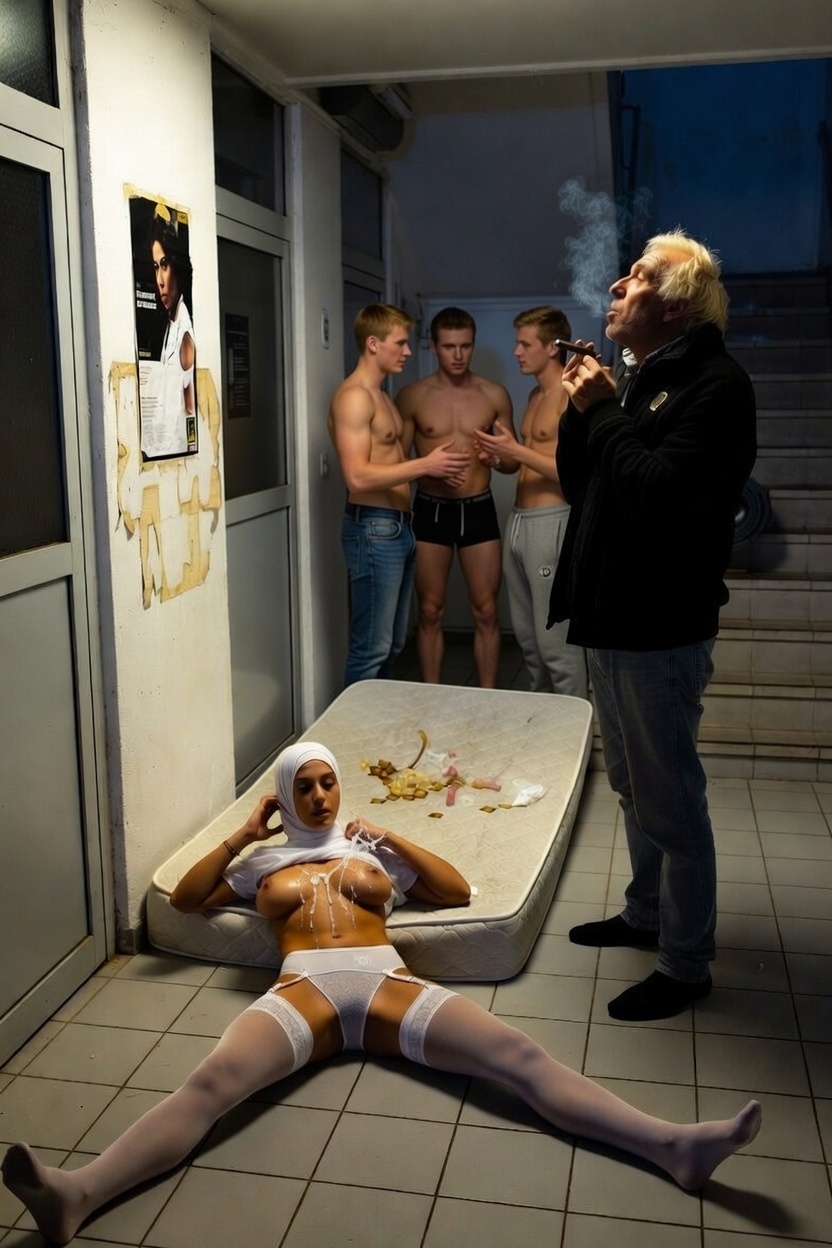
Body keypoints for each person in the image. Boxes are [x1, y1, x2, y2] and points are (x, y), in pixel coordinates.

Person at [2, 739, 762, 1245]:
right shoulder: (260, 864)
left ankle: (674, 1146)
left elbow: (454, 889)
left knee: (521, 1059)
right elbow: (186, 898)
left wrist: (392, 838)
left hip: (387, 981)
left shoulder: (371, 855)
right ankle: (79, 1194)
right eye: (303, 787)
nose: (320, 796)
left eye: (328, 781)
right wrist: (244, 833)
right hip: (303, 990)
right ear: (282, 798)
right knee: (208, 1087)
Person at [548, 229, 757, 1022]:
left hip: (660, 626)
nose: (617, 285)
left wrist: (604, 409)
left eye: (638, 277)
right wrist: (583, 411)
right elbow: (587, 482)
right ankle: (645, 913)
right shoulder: (643, 378)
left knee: (670, 799)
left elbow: (657, 493)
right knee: (633, 785)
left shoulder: (715, 387)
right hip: (611, 615)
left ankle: (686, 962)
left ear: (675, 306)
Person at [328, 304, 469, 686]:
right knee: (370, 649)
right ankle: (355, 724)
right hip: (374, 530)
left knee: (390, 647)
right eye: (400, 343)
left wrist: (436, 466)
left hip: (398, 527)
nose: (407, 352)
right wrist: (425, 465)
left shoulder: (381, 396)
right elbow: (357, 476)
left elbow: (387, 461)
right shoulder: (354, 397)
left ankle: (379, 721)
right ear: (373, 344)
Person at [395, 308, 516, 688]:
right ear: (434, 347)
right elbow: (395, 464)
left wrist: (495, 459)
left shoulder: (493, 394)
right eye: (449, 347)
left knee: (486, 610)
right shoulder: (413, 396)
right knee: (430, 611)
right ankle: (432, 695)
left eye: (465, 346)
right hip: (430, 511)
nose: (458, 355)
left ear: (473, 345)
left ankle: (488, 696)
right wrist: (428, 469)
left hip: (478, 509)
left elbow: (513, 461)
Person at [473, 306, 588, 697]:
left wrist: (516, 451)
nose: (516, 352)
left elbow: (575, 473)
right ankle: (541, 724)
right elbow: (524, 462)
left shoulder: (571, 396)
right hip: (520, 522)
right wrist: (499, 457)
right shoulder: (536, 394)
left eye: (524, 344)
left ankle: (576, 730)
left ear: (553, 347)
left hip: (553, 521)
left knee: (556, 647)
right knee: (529, 644)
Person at [145, 212, 196, 458]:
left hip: (176, 455)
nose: (160, 280)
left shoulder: (184, 331)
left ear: (176, 266)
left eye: (164, 265)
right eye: (156, 267)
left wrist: (189, 455)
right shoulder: (171, 324)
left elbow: (190, 409)